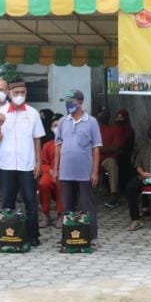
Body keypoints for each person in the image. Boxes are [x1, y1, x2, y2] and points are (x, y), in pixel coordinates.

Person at [0, 81, 45, 247]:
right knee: (8, 201)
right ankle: (8, 234)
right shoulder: (1, 112)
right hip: (6, 165)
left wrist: (39, 162)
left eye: (22, 92)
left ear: (26, 92)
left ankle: (33, 235)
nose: (19, 95)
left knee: (30, 201)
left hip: (27, 164)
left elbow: (37, 138)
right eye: (16, 92)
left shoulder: (32, 113)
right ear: (9, 93)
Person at [54, 89, 102, 243]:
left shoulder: (92, 122)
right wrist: (56, 168)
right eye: (67, 101)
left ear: (80, 103)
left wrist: (95, 172)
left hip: (84, 171)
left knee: (87, 204)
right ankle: (69, 235)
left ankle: (91, 235)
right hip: (66, 171)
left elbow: (96, 148)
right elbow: (58, 146)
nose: (68, 105)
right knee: (67, 204)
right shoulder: (63, 121)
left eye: (71, 101)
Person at [126, 124, 151, 232]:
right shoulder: (145, 148)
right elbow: (137, 164)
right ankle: (136, 219)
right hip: (146, 177)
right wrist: (142, 173)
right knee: (130, 187)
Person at [38, 114, 63, 228]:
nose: (57, 128)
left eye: (59, 125)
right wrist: (50, 170)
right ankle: (46, 214)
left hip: (64, 173)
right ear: (51, 128)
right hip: (50, 172)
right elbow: (43, 163)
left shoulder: (68, 143)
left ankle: (61, 215)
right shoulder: (47, 145)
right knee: (43, 184)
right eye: (54, 126)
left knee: (60, 185)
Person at [98, 110, 124, 203]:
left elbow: (115, 147)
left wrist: (100, 148)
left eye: (105, 114)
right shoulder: (95, 129)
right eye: (101, 114)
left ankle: (113, 194)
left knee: (112, 164)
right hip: (93, 158)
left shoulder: (114, 129)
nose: (102, 116)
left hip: (106, 158)